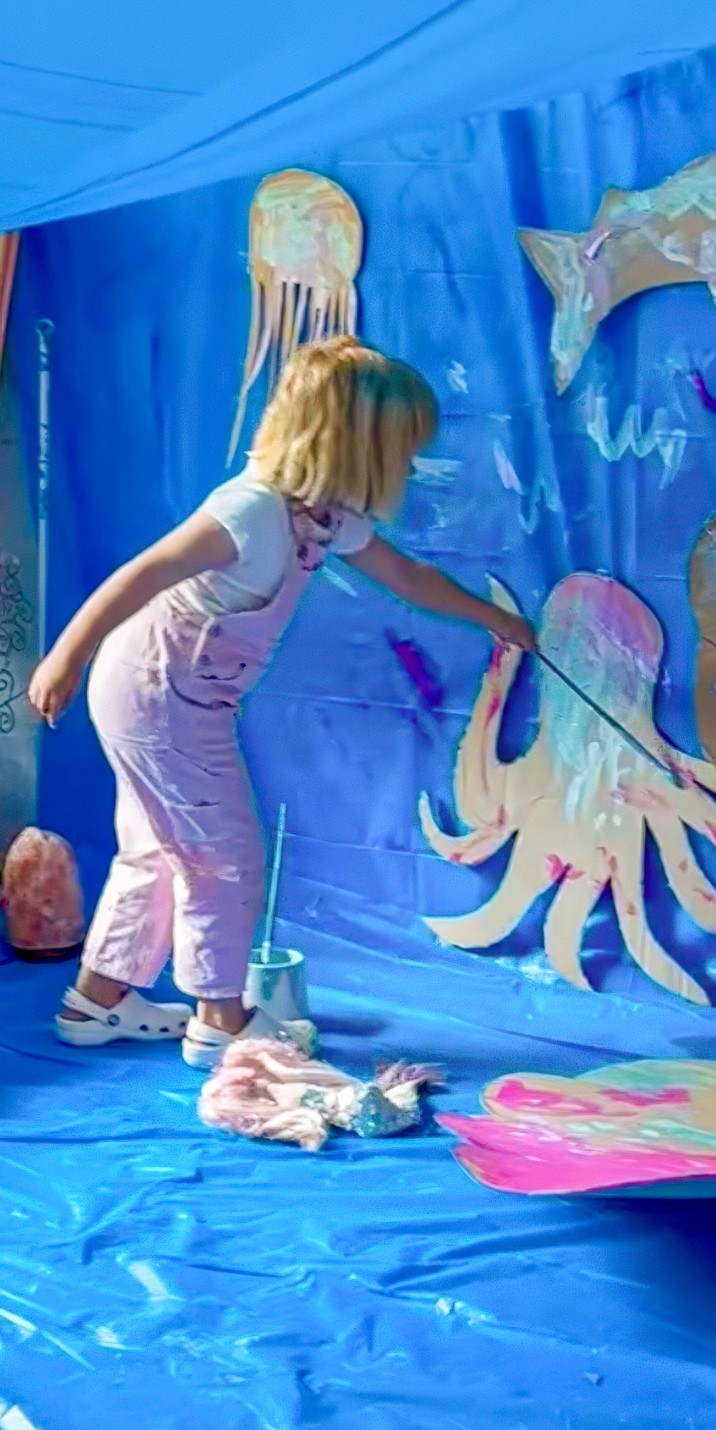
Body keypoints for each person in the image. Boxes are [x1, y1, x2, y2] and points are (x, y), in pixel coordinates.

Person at [27, 336, 533, 1067]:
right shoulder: (252, 509)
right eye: (400, 449)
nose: (408, 466)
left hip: (176, 697)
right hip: (159, 694)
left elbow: (407, 577)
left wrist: (495, 619)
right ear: (356, 446)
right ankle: (222, 1020)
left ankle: (96, 1001)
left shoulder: (326, 514)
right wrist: (65, 656)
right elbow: (144, 572)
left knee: (161, 848)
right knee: (223, 857)